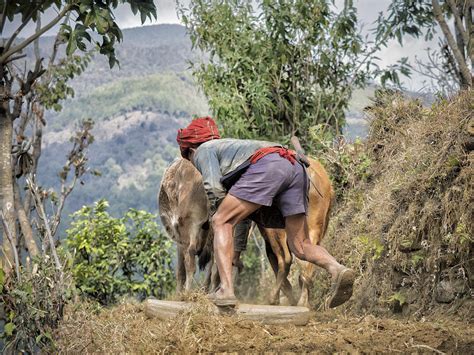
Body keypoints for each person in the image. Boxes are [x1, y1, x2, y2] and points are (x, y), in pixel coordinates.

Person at [177, 116, 355, 307]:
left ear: (191, 149)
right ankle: (337, 269)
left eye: (189, 158)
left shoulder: (204, 150)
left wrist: (216, 219)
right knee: (300, 245)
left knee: (220, 220)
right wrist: (236, 245)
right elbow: (243, 214)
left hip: (269, 165)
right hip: (295, 165)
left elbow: (213, 188)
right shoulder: (234, 149)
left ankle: (226, 291)